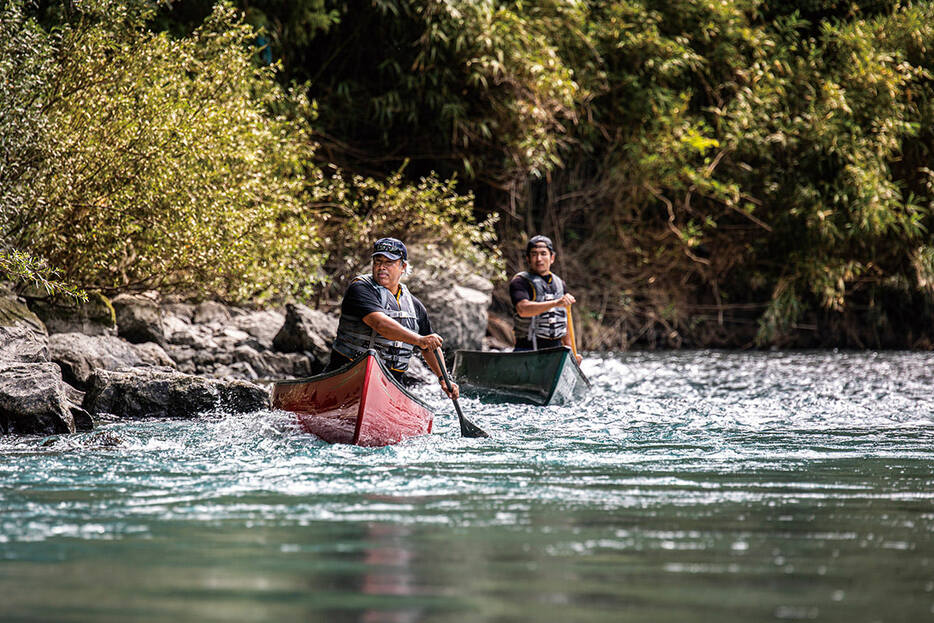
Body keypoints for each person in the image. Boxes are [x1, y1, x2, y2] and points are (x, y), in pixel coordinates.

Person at [326, 237, 459, 398]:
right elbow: (380, 324)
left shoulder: (414, 306)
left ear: (403, 266)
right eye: (378, 261)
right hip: (345, 374)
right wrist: (419, 340)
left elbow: (429, 346)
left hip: (391, 384)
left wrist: (443, 379)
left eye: (388, 262)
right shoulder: (360, 289)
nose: (381, 267)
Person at [509, 234, 582, 364]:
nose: (539, 259)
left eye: (543, 254)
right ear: (528, 258)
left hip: (555, 353)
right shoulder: (520, 282)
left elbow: (564, 320)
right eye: (534, 254)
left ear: (552, 257)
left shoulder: (560, 284)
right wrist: (556, 303)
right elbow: (523, 309)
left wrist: (572, 354)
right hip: (526, 351)